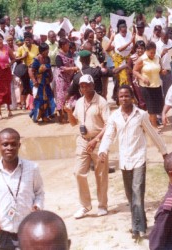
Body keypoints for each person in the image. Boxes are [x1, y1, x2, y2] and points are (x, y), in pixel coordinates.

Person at [98, 85, 167, 240]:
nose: (124, 99)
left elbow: (152, 133)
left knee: (137, 192)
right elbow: (109, 135)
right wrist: (103, 150)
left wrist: (164, 152)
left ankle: (137, 229)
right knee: (130, 196)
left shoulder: (141, 115)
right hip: (124, 160)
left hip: (139, 158)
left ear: (132, 97)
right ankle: (140, 220)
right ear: (118, 98)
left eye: (127, 96)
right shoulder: (114, 117)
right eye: (121, 96)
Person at [0, 128, 45, 250]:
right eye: (5, 144)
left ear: (19, 145)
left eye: (13, 144)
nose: (9, 148)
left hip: (29, 231)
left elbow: (39, 192)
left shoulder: (32, 168)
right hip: (4, 233)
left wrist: (37, 206)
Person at [64, 74, 110, 219]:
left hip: (98, 142)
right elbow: (73, 123)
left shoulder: (102, 102)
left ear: (92, 86)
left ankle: (102, 205)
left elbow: (108, 125)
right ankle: (85, 205)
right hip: (83, 140)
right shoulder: (78, 102)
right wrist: (69, 113)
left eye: (87, 85)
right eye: (82, 86)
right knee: (78, 172)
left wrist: (96, 140)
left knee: (101, 174)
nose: (84, 88)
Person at [133, 41, 165, 128]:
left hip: (157, 85)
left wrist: (163, 71)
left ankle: (149, 124)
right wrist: (142, 78)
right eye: (151, 52)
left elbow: (160, 69)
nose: (153, 54)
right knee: (152, 109)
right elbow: (134, 71)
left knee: (158, 106)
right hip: (146, 87)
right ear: (146, 51)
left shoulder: (157, 58)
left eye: (154, 52)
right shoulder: (142, 59)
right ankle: (154, 127)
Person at [28, 43, 56, 123]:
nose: (48, 51)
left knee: (49, 98)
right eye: (46, 50)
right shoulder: (36, 60)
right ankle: (37, 115)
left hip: (46, 82)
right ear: (42, 51)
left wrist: (51, 76)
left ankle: (45, 115)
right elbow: (30, 70)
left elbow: (49, 68)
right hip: (39, 83)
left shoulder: (47, 58)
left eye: (48, 50)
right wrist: (34, 81)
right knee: (40, 100)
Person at [55, 38, 78, 123]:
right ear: (62, 46)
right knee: (61, 97)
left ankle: (71, 115)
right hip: (61, 80)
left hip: (69, 78)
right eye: (67, 45)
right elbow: (61, 68)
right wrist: (73, 68)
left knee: (71, 95)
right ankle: (61, 116)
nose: (68, 46)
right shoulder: (58, 56)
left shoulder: (69, 54)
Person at [109, 19, 135, 87]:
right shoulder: (117, 37)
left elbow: (133, 48)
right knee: (123, 77)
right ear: (120, 30)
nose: (124, 33)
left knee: (130, 76)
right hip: (120, 59)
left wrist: (133, 40)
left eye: (125, 31)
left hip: (128, 59)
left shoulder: (129, 35)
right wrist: (129, 42)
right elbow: (120, 49)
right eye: (123, 32)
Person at [17, 32, 39, 110]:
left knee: (34, 85)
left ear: (32, 40)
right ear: (24, 40)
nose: (27, 41)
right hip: (25, 69)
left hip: (34, 69)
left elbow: (39, 57)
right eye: (26, 40)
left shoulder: (36, 47)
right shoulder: (21, 48)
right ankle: (23, 103)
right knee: (24, 86)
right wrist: (23, 57)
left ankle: (33, 103)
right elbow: (16, 59)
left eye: (29, 40)